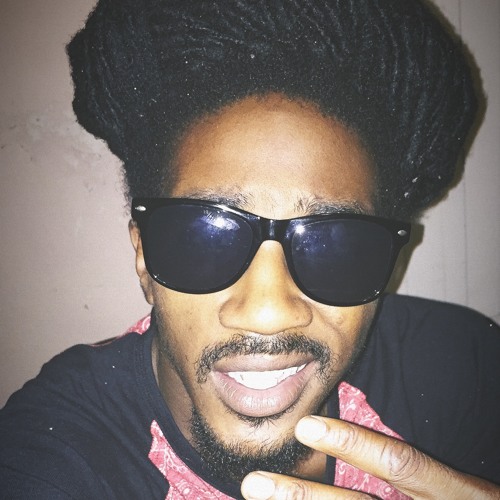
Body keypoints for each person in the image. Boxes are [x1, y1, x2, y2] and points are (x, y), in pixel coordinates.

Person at [1, 0, 499, 498]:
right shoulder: (59, 447)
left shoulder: (463, 365)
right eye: (206, 235)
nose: (268, 313)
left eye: (334, 244)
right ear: (144, 258)